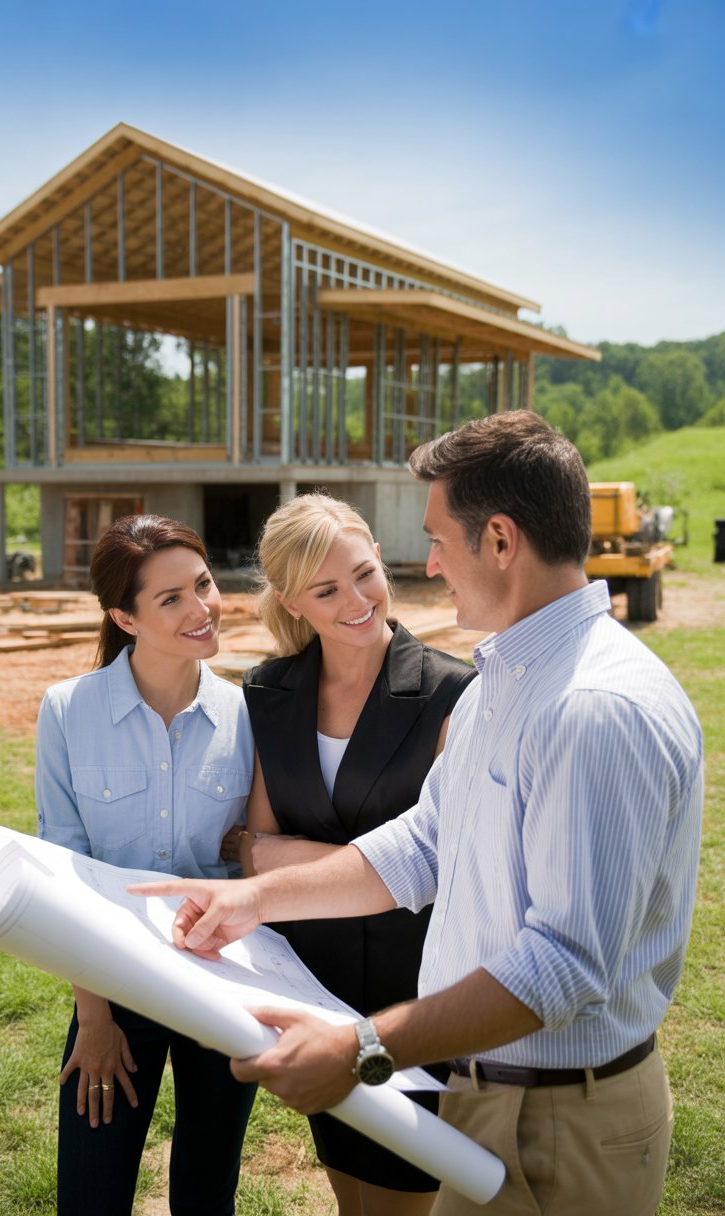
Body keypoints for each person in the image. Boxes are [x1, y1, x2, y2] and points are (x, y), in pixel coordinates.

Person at [130, 413, 704, 1216]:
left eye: (437, 539)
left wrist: (362, 1046)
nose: (427, 564)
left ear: (499, 541)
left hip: (557, 1120)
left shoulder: (590, 710)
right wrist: (254, 897)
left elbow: (564, 965)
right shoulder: (505, 681)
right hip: (493, 1096)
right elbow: (423, 844)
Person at [220, 492, 475, 1216]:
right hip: (314, 990)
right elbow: (252, 851)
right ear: (292, 602)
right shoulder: (269, 692)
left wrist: (281, 854)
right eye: (327, 590)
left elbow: (442, 862)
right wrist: (280, 855)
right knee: (351, 1200)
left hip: (416, 996)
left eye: (365, 574)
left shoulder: (454, 693)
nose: (358, 600)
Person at [35, 514, 257, 1216]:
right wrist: (94, 1019)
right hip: (111, 982)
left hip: (220, 986)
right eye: (171, 599)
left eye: (204, 584)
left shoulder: (249, 715)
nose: (202, 608)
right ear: (124, 618)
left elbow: (253, 862)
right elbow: (64, 873)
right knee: (91, 1195)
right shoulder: (67, 711)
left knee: (207, 1193)